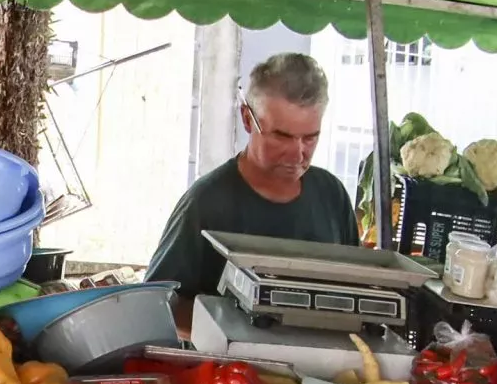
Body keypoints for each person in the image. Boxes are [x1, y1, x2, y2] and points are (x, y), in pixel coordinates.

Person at [142, 52, 358, 296]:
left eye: (310, 138)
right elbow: (157, 303)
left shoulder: (332, 196)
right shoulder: (205, 203)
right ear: (247, 118)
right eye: (282, 136)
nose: (297, 154)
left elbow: (355, 289)